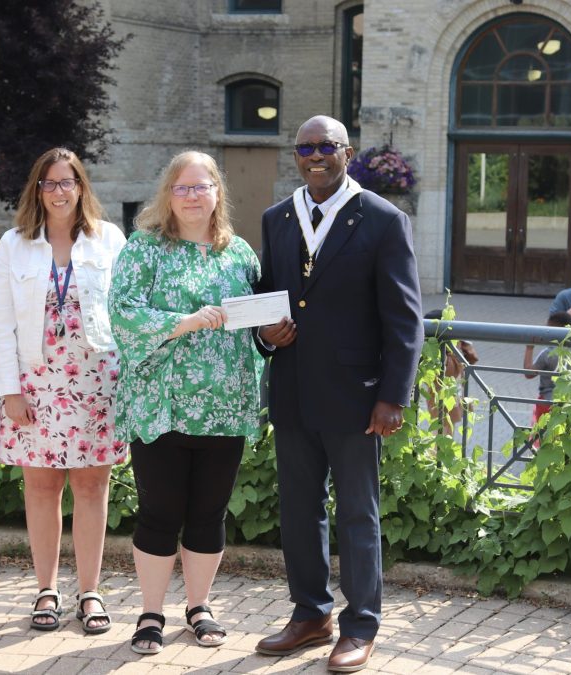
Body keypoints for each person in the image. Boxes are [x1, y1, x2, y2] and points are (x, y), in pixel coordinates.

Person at [254, 115, 423, 673]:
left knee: (357, 513)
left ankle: (360, 625)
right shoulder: (277, 218)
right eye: (305, 147)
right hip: (294, 390)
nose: (315, 155)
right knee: (299, 510)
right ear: (296, 155)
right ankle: (310, 614)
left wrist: (393, 396)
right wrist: (264, 334)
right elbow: (267, 299)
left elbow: (405, 320)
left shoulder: (382, 219)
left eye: (326, 146)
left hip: (358, 395)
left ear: (348, 152)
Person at [108, 151, 263, 655]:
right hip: (162, 406)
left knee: (208, 514)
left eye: (202, 186)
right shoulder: (144, 249)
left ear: (218, 192)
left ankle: (199, 606)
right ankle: (150, 613)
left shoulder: (239, 253)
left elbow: (259, 322)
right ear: (167, 196)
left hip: (225, 408)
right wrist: (187, 321)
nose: (193, 196)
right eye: (183, 188)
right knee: (160, 512)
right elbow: (123, 315)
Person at [0, 148, 128, 633]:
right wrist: (8, 390)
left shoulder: (109, 239)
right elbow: (1, 321)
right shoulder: (14, 244)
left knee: (92, 486)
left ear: (82, 187)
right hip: (36, 383)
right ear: (38, 190)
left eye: (68, 181)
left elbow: (125, 314)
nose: (59, 190)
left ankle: (89, 592)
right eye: (49, 183)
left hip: (96, 382)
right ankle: (46, 590)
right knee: (42, 487)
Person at [523, 311, 571, 427]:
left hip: (547, 403)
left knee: (544, 437)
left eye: (549, 330)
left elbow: (528, 373)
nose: (546, 333)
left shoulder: (548, 354)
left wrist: (529, 348)